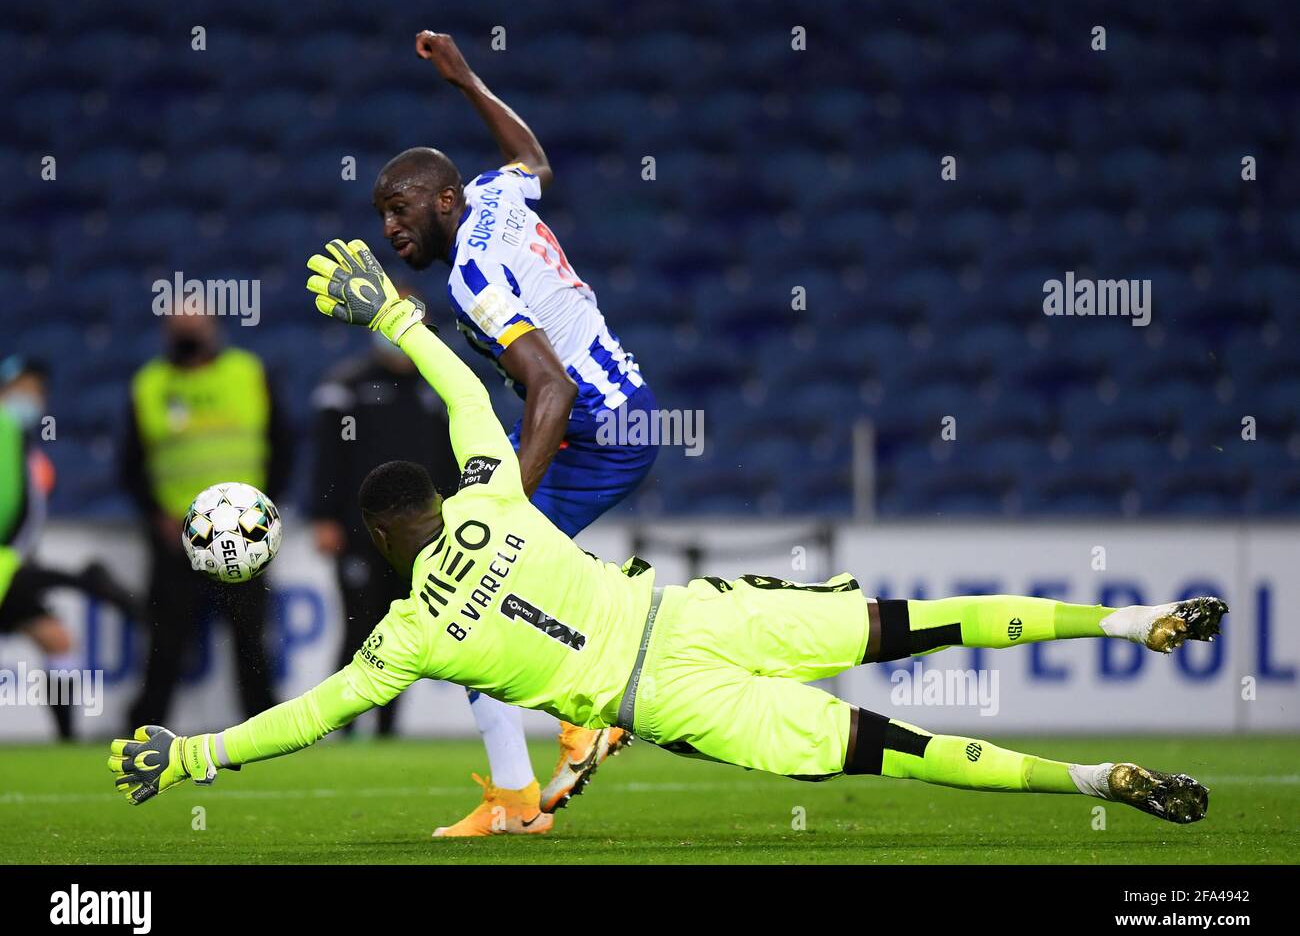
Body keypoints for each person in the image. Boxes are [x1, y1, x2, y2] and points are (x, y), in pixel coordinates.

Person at [108, 243, 1222, 829]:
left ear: (388, 544)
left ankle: (1088, 779)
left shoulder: (406, 638)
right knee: (911, 623)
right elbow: (461, 389)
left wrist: (196, 750)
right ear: (436, 505)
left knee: (895, 746)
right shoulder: (494, 492)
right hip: (700, 609)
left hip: (670, 700)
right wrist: (394, 311)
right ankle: (1132, 617)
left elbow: (310, 715)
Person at [365, 30, 661, 832]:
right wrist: (465, 79)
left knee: (469, 590)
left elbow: (552, 388)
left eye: (400, 210)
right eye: (382, 216)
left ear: (444, 201)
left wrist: (503, 513)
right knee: (485, 596)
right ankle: (548, 760)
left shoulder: (472, 277)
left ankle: (538, 776)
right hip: (620, 414)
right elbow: (534, 157)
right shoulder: (495, 197)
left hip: (599, 426)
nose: (390, 231)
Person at [119, 308, 293, 732]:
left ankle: (266, 729)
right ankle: (144, 731)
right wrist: (156, 516)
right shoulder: (150, 385)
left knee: (251, 640)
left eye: (196, 324)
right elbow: (129, 465)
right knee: (166, 643)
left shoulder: (248, 373)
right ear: (166, 331)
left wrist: (267, 508)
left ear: (214, 328)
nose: (189, 332)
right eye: (181, 325)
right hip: (177, 538)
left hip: (245, 536)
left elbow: (284, 444)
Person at [310, 334, 460, 736]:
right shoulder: (347, 387)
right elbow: (328, 456)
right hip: (358, 532)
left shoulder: (435, 388)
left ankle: (385, 731)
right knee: (358, 627)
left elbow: (449, 462)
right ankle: (341, 726)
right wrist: (324, 516)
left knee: (401, 631)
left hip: (417, 538)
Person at [0, 357, 137, 738]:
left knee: (57, 640)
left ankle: (66, 739)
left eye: (39, 390)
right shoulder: (5, 428)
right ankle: (90, 583)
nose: (34, 397)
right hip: (6, 560)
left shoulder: (21, 441)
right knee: (59, 627)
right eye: (26, 388)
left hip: (12, 563)